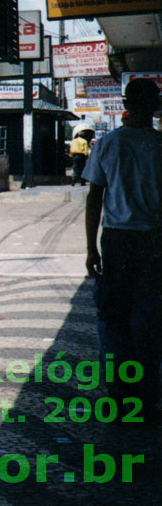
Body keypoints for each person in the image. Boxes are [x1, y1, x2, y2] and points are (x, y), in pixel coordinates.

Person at [83, 78, 162, 421]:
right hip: (155, 241)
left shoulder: (108, 144)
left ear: (125, 102)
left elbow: (94, 198)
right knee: (149, 315)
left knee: (113, 315)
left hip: (116, 240)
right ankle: (146, 391)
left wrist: (90, 249)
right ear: (155, 106)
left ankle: (118, 389)